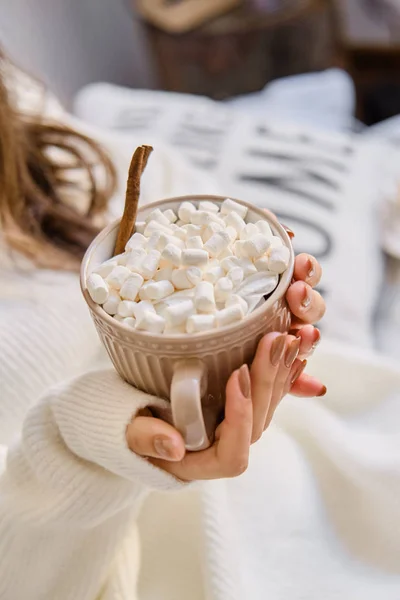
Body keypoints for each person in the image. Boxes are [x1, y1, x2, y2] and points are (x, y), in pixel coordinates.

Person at [1, 51, 399, 600]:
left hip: (302, 452)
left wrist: (274, 308)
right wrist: (87, 442)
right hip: (139, 561)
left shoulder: (25, 125)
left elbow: (183, 198)